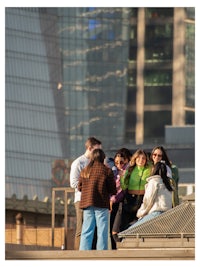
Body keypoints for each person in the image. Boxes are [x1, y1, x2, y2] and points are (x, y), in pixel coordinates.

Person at [78, 149, 117, 250]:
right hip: (101, 203)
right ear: (103, 158)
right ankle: (101, 253)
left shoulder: (85, 170)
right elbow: (112, 189)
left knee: (87, 229)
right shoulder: (107, 170)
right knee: (102, 230)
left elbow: (79, 187)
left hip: (87, 203)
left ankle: (83, 252)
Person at [112, 149, 152, 242]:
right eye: (138, 158)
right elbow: (124, 185)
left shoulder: (149, 169)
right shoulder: (130, 168)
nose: (141, 160)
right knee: (116, 230)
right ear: (135, 158)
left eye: (143, 158)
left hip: (142, 200)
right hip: (129, 199)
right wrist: (122, 178)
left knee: (138, 228)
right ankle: (120, 246)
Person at [70, 137, 102, 250]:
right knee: (82, 228)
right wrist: (89, 187)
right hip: (81, 200)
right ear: (89, 148)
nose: (99, 153)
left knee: (93, 229)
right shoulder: (78, 162)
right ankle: (79, 256)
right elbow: (73, 183)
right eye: (97, 150)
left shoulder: (97, 163)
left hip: (95, 199)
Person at [127, 161, 173, 229]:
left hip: (156, 214)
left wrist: (140, 214)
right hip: (167, 215)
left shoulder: (154, 181)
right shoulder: (168, 184)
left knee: (129, 231)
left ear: (154, 170)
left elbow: (148, 201)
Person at [109, 152, 127, 249]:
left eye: (121, 162)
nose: (119, 164)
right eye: (116, 162)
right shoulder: (113, 173)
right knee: (112, 228)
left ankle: (122, 248)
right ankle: (114, 249)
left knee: (119, 227)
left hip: (123, 202)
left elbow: (125, 188)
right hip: (113, 203)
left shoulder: (127, 172)